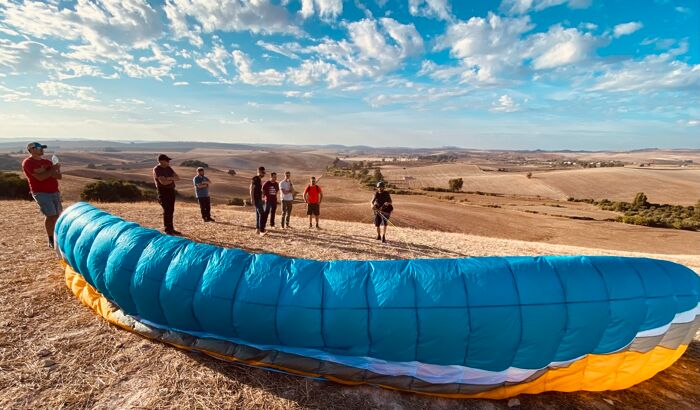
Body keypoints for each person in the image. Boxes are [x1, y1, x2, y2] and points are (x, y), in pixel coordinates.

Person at [22, 142, 62, 248]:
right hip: (41, 192)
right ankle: (51, 240)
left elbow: (59, 176)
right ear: (31, 150)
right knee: (51, 215)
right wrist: (52, 169)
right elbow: (40, 178)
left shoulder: (47, 162)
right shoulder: (28, 163)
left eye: (42, 148)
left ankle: (56, 238)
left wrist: (52, 170)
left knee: (57, 216)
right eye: (39, 148)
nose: (42, 150)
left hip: (54, 191)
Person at [153, 154, 180, 235]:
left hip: (171, 190)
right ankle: (167, 229)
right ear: (161, 161)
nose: (169, 162)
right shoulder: (157, 169)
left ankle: (171, 228)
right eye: (167, 160)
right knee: (167, 210)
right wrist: (172, 179)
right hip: (163, 191)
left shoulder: (168, 168)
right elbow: (163, 182)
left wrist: (169, 178)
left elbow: (178, 178)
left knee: (171, 210)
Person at [250, 166, 266, 235]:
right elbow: (251, 189)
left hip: (259, 198)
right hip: (256, 199)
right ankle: (261, 230)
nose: (263, 174)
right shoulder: (255, 178)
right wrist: (252, 199)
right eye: (262, 172)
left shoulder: (259, 180)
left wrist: (262, 193)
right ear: (258, 171)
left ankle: (258, 229)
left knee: (258, 214)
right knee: (262, 213)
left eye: (264, 172)